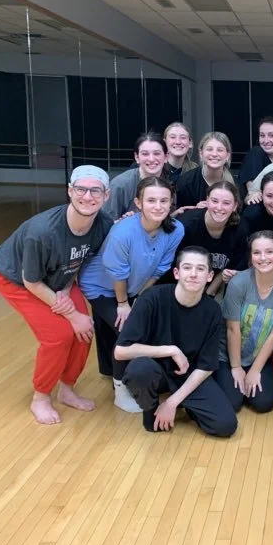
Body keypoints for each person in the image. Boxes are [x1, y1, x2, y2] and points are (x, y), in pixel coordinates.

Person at [0, 165, 113, 425]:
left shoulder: (103, 224)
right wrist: (70, 313)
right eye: (81, 189)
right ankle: (41, 397)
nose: (87, 196)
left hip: (60, 277)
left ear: (106, 195)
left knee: (84, 330)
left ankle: (67, 390)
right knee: (59, 336)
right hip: (18, 280)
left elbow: (80, 260)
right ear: (69, 191)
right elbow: (31, 281)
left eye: (95, 191)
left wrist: (66, 291)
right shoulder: (42, 232)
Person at [80, 176, 183, 412]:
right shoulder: (123, 232)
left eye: (164, 201)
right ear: (138, 203)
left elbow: (160, 268)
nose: (158, 206)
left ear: (171, 203)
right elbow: (118, 273)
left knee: (126, 326)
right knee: (128, 331)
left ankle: (116, 371)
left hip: (134, 287)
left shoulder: (176, 230)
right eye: (151, 200)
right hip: (101, 287)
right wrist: (123, 303)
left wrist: (139, 298)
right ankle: (121, 390)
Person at [113, 246, 237, 436]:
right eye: (187, 267)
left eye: (200, 269)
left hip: (187, 374)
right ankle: (152, 405)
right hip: (155, 371)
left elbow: (207, 366)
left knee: (226, 425)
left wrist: (172, 402)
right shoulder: (152, 298)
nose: (193, 274)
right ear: (177, 273)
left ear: (210, 276)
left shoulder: (212, 310)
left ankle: (180, 403)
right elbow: (121, 351)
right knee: (140, 369)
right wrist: (170, 350)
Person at [215, 231, 273, 413]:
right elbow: (232, 329)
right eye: (257, 252)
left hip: (255, 356)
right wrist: (236, 367)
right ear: (251, 257)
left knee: (264, 403)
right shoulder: (238, 283)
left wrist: (255, 370)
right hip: (227, 356)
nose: (263, 258)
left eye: (269, 252)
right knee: (233, 403)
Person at [171, 181, 247, 295]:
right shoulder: (186, 225)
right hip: (179, 285)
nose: (219, 207)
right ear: (207, 201)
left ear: (235, 206)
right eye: (214, 201)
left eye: (226, 203)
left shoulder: (240, 230)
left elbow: (227, 270)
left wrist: (208, 295)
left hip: (211, 287)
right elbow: (172, 266)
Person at [104, 132, 167, 220]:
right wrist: (124, 222)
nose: (151, 159)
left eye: (156, 153)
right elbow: (106, 223)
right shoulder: (120, 185)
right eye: (145, 154)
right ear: (137, 157)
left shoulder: (169, 182)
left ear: (166, 157)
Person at [175, 132, 234, 210]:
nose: (214, 154)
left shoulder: (235, 185)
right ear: (201, 153)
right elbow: (180, 215)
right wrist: (195, 210)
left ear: (227, 155)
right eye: (209, 149)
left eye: (220, 150)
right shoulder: (186, 182)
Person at [238, 117, 273, 198]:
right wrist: (253, 194)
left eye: (271, 135)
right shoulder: (256, 153)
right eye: (262, 135)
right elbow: (252, 193)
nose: (266, 140)